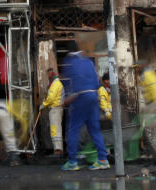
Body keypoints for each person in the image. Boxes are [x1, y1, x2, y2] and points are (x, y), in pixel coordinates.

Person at [61, 42, 109, 171]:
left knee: (73, 129)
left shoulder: (69, 61)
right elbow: (96, 81)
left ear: (69, 51)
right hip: (94, 96)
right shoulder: (88, 61)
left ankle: (72, 162)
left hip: (80, 97)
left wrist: (66, 99)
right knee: (94, 130)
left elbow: (68, 83)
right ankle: (103, 159)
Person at [40, 69, 64, 155]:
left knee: (55, 129)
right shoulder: (55, 84)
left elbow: (51, 98)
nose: (47, 77)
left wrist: (43, 105)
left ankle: (58, 149)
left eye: (48, 75)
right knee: (56, 128)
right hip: (56, 109)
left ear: (51, 75)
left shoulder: (55, 84)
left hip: (55, 109)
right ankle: (58, 148)